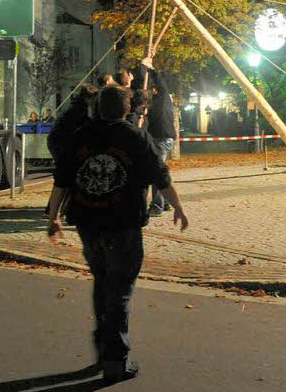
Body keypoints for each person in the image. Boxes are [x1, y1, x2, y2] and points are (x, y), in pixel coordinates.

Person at [46, 86, 188, 383]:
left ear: (98, 108)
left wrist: (54, 216)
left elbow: (62, 179)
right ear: (126, 109)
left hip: (88, 222)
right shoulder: (135, 137)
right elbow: (160, 174)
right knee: (121, 289)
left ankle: (103, 343)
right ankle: (115, 359)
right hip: (124, 223)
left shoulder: (80, 135)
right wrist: (177, 207)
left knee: (102, 281)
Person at [138, 55, 176, 215]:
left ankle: (157, 206)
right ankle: (165, 203)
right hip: (158, 139)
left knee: (156, 170)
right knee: (157, 169)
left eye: (153, 89)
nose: (152, 91)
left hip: (164, 139)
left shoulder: (164, 98)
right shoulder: (153, 106)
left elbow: (160, 82)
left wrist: (150, 68)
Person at [46, 86, 97, 163]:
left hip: (56, 143)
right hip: (61, 145)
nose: (94, 102)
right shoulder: (80, 109)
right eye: (93, 99)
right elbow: (79, 130)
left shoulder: (76, 106)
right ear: (88, 97)